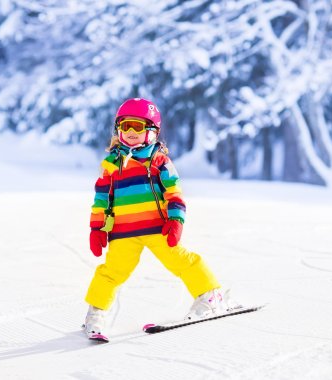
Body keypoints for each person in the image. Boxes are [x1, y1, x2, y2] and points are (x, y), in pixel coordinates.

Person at [83, 98, 238, 341]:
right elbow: (101, 198)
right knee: (111, 272)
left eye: (137, 126)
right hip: (123, 232)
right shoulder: (111, 164)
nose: (131, 132)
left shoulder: (159, 161)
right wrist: (97, 227)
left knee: (182, 261)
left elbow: (174, 193)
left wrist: (176, 220)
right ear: (118, 130)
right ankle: (96, 313)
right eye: (125, 126)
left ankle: (211, 296)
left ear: (152, 131)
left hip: (157, 228)